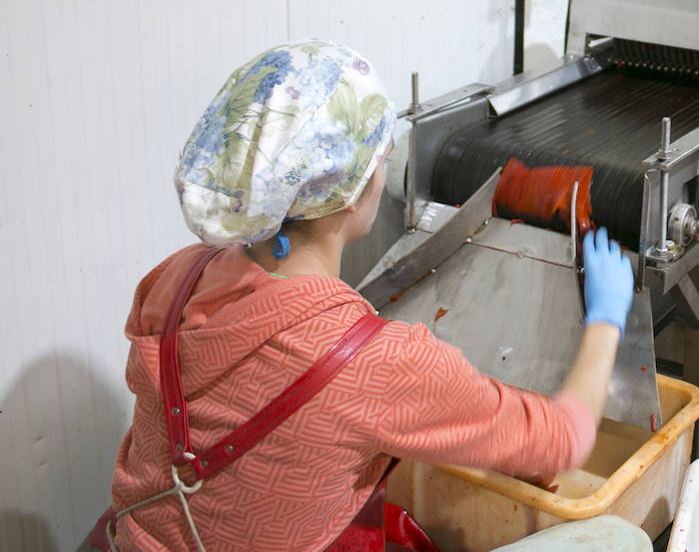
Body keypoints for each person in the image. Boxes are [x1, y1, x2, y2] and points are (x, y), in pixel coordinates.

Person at [94, 40, 647, 551]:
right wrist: (604, 318)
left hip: (133, 539)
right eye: (380, 155)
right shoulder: (382, 365)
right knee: (621, 542)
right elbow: (561, 441)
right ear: (354, 188)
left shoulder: (172, 279)